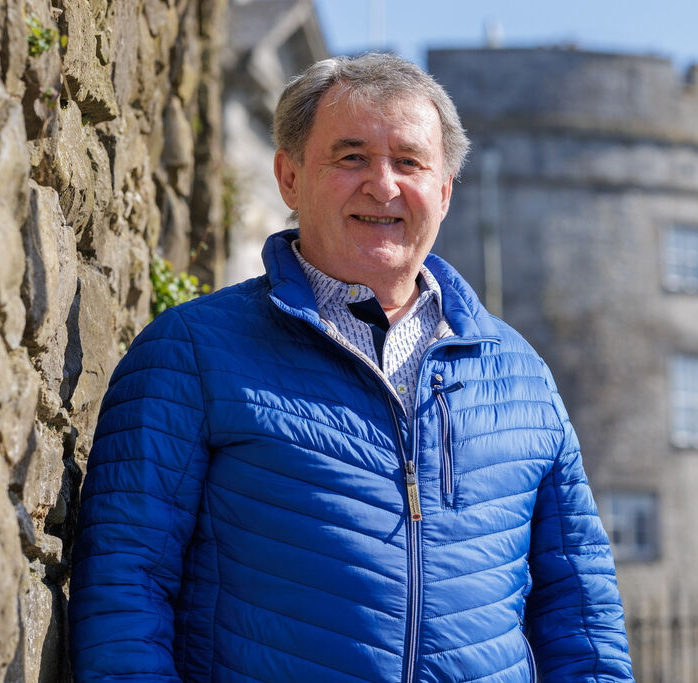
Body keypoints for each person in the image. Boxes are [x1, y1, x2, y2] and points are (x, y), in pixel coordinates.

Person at [69, 53, 634, 682]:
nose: (384, 185)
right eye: (351, 157)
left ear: (444, 191)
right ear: (289, 177)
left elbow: (581, 616)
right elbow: (124, 585)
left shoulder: (521, 376)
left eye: (410, 162)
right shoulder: (191, 353)